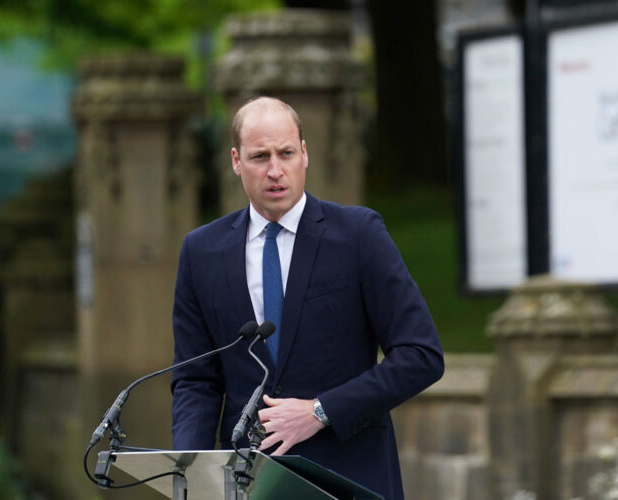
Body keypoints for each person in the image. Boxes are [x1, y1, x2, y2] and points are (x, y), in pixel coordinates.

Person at [170, 96, 444, 500]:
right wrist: (189, 475)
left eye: (286, 153)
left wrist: (321, 411)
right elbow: (196, 380)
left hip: (349, 478)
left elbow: (421, 355)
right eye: (260, 156)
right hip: (250, 484)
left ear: (305, 154)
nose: (275, 171)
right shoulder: (201, 251)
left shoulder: (358, 235)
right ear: (235, 161)